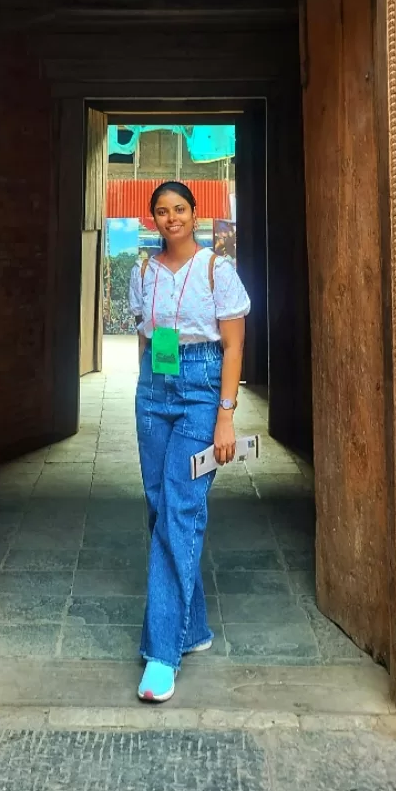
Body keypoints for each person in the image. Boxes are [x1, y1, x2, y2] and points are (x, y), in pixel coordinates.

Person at [129, 180, 250, 703]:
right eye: (162, 210)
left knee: (181, 508)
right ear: (153, 219)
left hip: (202, 393)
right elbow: (142, 333)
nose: (171, 217)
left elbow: (234, 342)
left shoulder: (215, 269)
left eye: (179, 208)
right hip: (154, 391)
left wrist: (225, 416)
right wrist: (147, 387)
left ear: (195, 214)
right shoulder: (142, 270)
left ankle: (161, 654)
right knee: (160, 508)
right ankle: (194, 627)